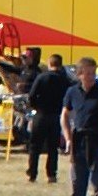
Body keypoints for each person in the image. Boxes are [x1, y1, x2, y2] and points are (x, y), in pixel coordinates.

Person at [62, 56, 98, 196]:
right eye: (88, 73)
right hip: (78, 139)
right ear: (79, 75)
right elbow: (65, 115)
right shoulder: (72, 92)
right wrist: (68, 139)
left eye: (93, 73)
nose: (91, 77)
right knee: (78, 179)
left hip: (97, 138)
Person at [24, 53, 73, 185]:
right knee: (53, 147)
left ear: (50, 64)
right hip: (56, 116)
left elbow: (32, 95)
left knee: (35, 146)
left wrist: (36, 107)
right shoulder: (65, 80)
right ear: (60, 64)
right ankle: (51, 174)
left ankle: (32, 174)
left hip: (41, 114)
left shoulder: (42, 77)